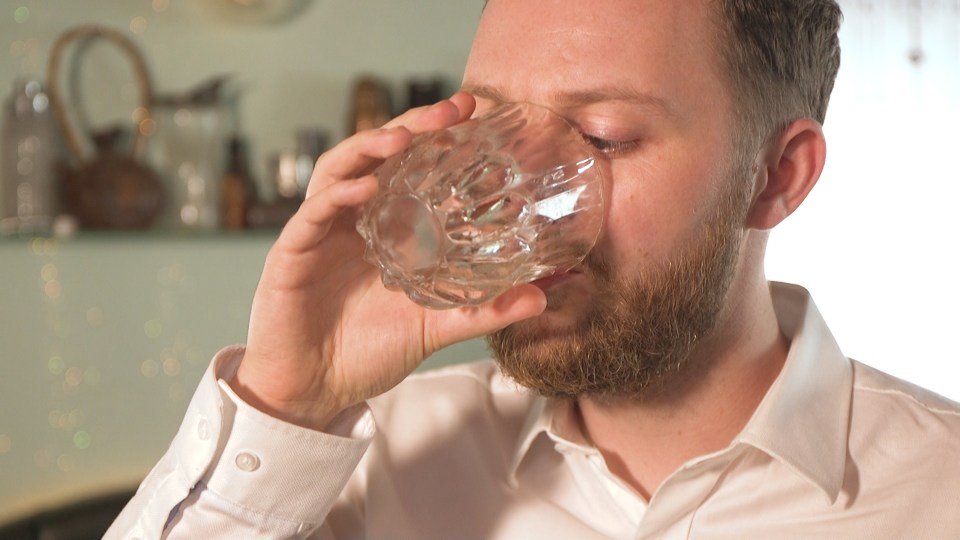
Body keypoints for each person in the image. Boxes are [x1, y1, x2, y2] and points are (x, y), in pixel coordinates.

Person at [107, 0, 960, 538]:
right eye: (494, 123)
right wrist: (284, 401)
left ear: (777, 177)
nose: (511, 191)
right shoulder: (375, 457)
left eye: (603, 139)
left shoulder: (937, 492)